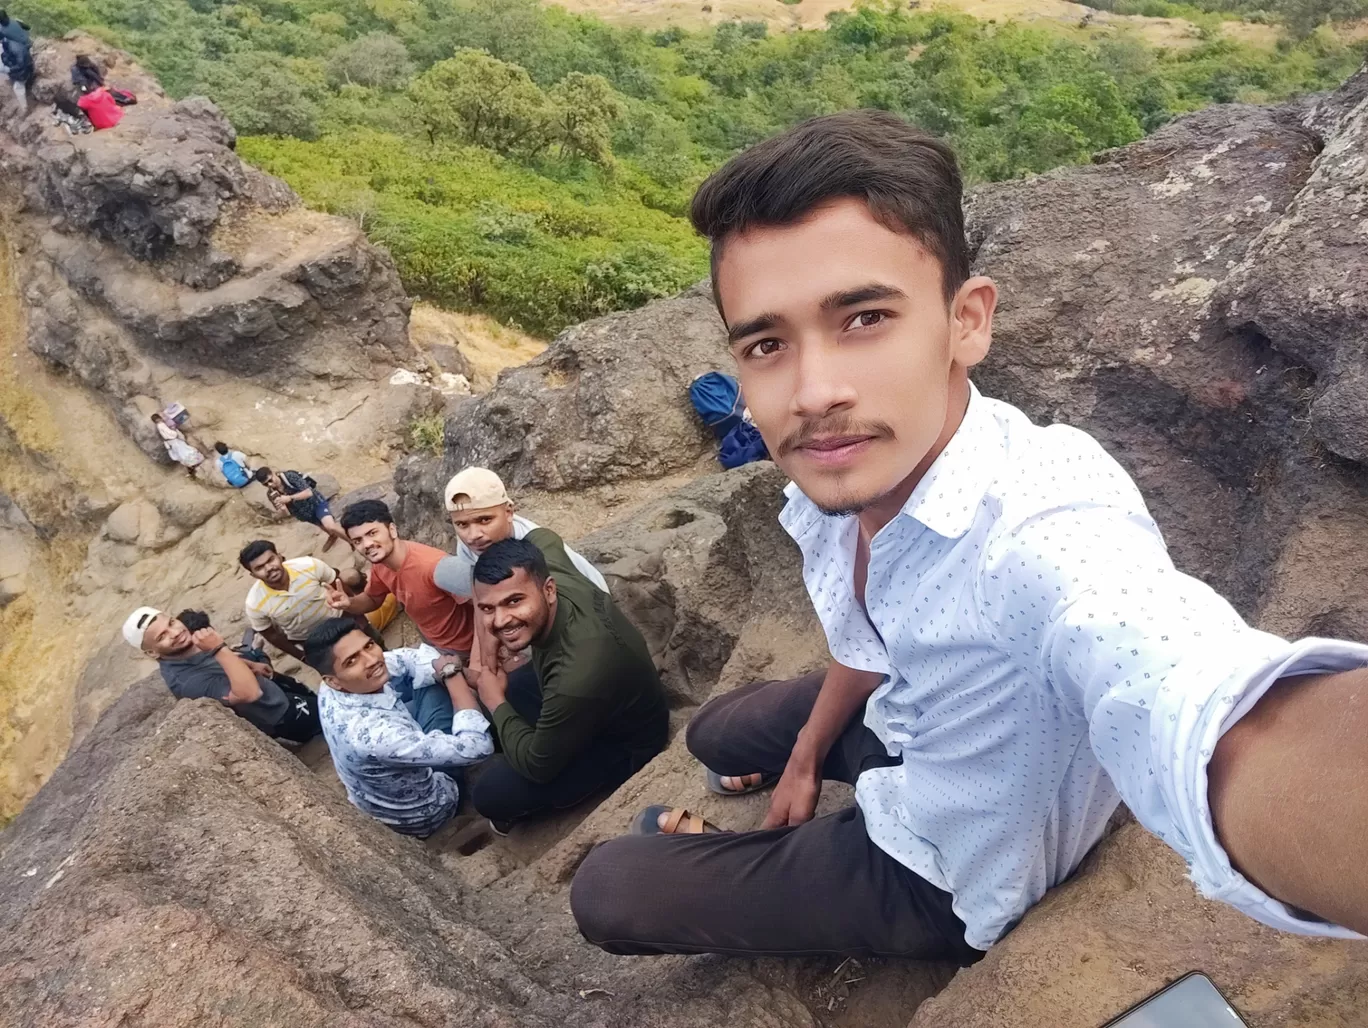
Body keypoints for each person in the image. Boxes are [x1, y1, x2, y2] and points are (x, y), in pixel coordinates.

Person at [568, 111, 1368, 960]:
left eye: (865, 318)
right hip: (915, 721)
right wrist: (805, 757)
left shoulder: (1039, 522)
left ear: (966, 321)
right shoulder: (843, 490)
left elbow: (1190, 692)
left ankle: (760, 854)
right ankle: (801, 778)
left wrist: (1271, 755)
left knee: (610, 887)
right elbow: (872, 631)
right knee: (717, 731)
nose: (813, 391)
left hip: (945, 867)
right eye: (768, 342)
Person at [462, 536, 668, 832]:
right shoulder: (545, 561)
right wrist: (488, 640)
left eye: (514, 601)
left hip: (624, 740)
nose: (501, 619)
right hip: (598, 694)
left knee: (491, 795)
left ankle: (580, 785)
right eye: (488, 608)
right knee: (510, 691)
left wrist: (496, 701)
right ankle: (514, 734)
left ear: (549, 589)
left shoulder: (578, 673)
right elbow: (543, 534)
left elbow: (538, 765)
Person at [304, 618, 493, 837]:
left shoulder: (332, 687)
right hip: (430, 808)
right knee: (441, 687)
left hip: (386, 798)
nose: (372, 660)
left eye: (369, 645)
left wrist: (443, 670)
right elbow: (478, 747)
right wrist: (452, 675)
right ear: (333, 680)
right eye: (352, 661)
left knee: (429, 676)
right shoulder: (376, 736)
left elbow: (406, 658)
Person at [123, 605, 321, 743]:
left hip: (272, 687)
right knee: (322, 722)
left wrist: (250, 664)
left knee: (316, 698)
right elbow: (250, 694)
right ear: (152, 652)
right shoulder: (188, 682)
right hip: (278, 712)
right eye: (162, 637)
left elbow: (213, 662)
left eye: (171, 623)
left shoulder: (185, 648)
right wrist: (218, 648)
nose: (175, 633)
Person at [430, 466, 609, 599]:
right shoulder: (469, 545)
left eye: (485, 520)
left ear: (508, 512)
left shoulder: (537, 549)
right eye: (462, 524)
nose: (473, 535)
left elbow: (575, 600)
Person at [327, 499, 473, 655]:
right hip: (431, 641)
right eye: (358, 541)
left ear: (392, 530)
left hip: (465, 647)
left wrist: (481, 660)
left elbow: (482, 606)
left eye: (372, 533)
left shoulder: (432, 566)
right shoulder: (380, 564)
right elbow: (372, 599)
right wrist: (348, 603)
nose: (367, 544)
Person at [240, 540, 364, 662]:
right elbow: (271, 635)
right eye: (259, 567)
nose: (269, 568)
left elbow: (340, 587)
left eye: (270, 560)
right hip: (311, 641)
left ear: (279, 557)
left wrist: (360, 618)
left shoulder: (309, 565)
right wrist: (301, 656)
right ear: (253, 575)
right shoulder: (254, 604)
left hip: (342, 619)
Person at [253, 466, 352, 552]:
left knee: (330, 525)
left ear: (274, 473)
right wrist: (282, 509)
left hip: (315, 503)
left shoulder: (289, 476)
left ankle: (352, 541)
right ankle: (332, 536)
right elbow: (285, 514)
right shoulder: (271, 494)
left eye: (270, 480)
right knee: (322, 526)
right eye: (265, 484)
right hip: (303, 513)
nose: (269, 485)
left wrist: (290, 498)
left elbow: (309, 492)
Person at [0, 11, 32, 105]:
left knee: (7, 59)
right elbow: (28, 27)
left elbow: (3, 42)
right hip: (29, 44)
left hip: (20, 50)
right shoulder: (16, 21)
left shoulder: (2, 31)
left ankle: (17, 80)